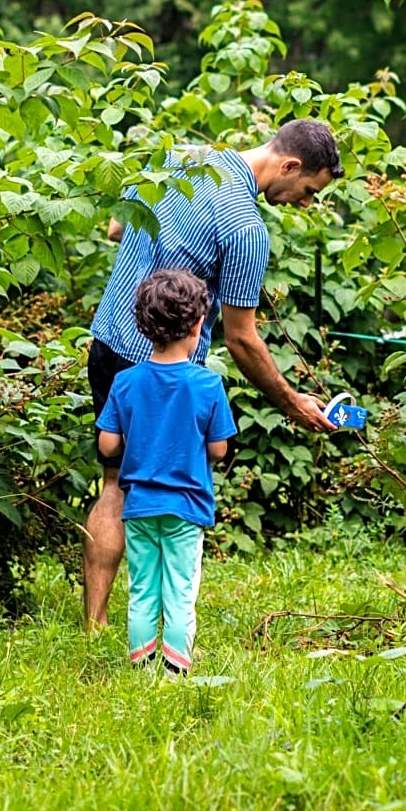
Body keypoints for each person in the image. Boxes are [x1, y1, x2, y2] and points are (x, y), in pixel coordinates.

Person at [85, 118, 344, 629]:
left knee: (113, 486)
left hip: (110, 342)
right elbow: (241, 338)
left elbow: (117, 227)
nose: (305, 203)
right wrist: (293, 404)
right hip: (172, 375)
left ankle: (94, 626)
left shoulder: (181, 157)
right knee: (173, 494)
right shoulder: (246, 228)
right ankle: (168, 621)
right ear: (290, 166)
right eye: (309, 191)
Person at [95, 269, 237, 673]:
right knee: (179, 592)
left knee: (142, 590)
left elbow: (107, 445)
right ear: (197, 326)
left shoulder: (125, 382)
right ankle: (175, 671)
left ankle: (141, 668)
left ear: (142, 326)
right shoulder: (207, 385)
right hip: (186, 507)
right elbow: (218, 449)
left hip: (138, 506)